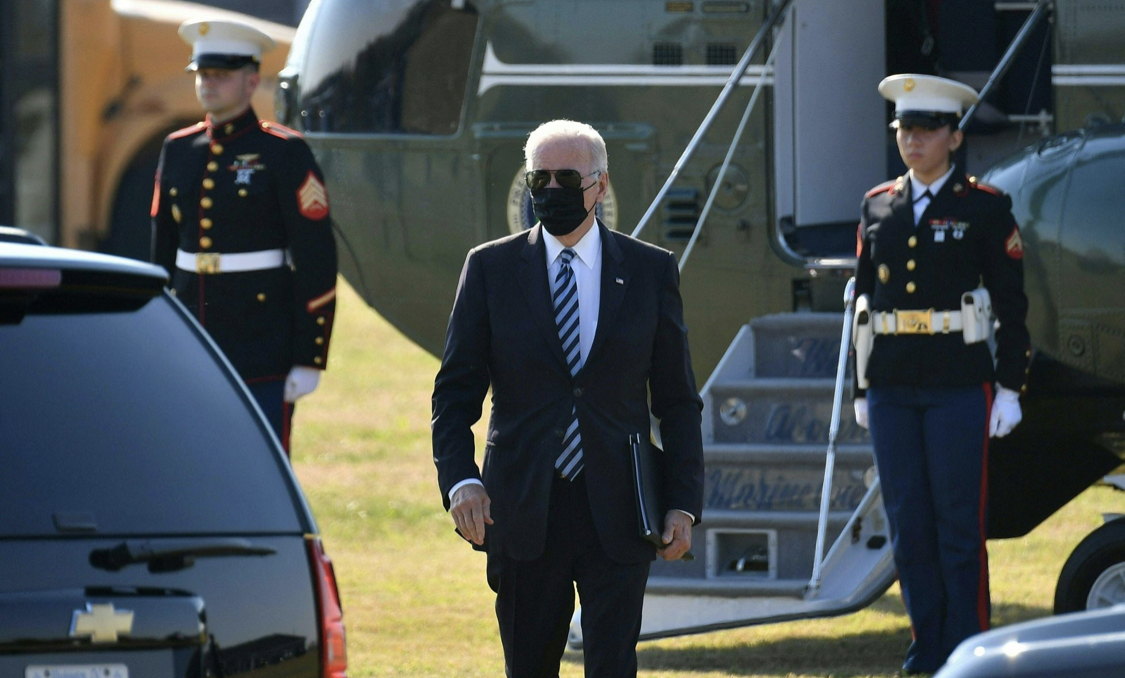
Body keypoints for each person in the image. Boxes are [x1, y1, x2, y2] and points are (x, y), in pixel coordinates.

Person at [431, 119, 705, 677]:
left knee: (612, 667)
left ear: (600, 184)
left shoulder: (650, 271)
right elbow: (454, 394)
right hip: (524, 508)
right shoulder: (489, 268)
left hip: (621, 510)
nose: (552, 190)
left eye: (568, 178)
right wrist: (461, 481)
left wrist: (682, 501)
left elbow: (677, 400)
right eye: (541, 179)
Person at [852, 74, 1031, 674]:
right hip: (891, 386)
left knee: (958, 527)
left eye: (927, 130)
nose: (913, 140)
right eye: (905, 129)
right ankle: (927, 651)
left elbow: (1012, 306)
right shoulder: (878, 205)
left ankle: (968, 650)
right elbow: (862, 309)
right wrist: (860, 387)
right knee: (909, 527)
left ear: (954, 137)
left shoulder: (985, 207)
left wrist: (1010, 386)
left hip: (958, 384)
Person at [151, 19, 337, 454]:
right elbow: (161, 252)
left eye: (221, 74)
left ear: (252, 81)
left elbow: (315, 256)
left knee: (260, 460)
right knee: (191, 456)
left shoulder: (284, 151)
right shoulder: (177, 149)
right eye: (202, 74)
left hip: (261, 344)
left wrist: (309, 357)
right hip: (191, 337)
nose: (208, 83)